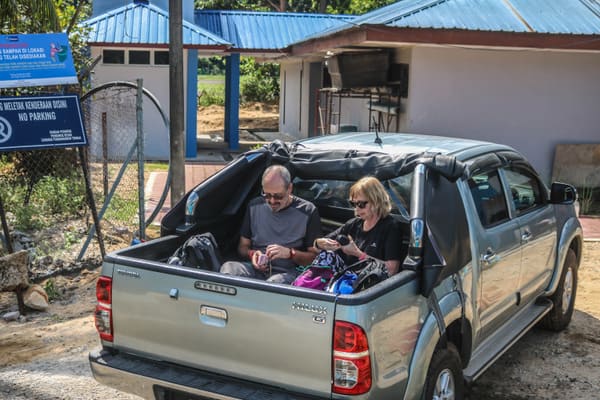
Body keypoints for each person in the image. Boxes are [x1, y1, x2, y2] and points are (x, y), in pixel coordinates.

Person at [219, 165, 321, 283]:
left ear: (289, 189)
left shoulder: (308, 211)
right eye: (267, 195)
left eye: (278, 196)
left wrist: (290, 254)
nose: (272, 201)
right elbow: (242, 247)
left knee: (274, 284)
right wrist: (252, 254)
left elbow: (314, 259)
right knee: (229, 268)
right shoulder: (254, 206)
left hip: (288, 273)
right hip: (256, 270)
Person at [313, 176, 404, 275]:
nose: (357, 209)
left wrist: (358, 253)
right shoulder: (353, 224)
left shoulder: (390, 227)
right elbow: (317, 247)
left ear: (376, 201)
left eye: (361, 204)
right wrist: (319, 243)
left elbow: (392, 270)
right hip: (345, 279)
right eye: (353, 204)